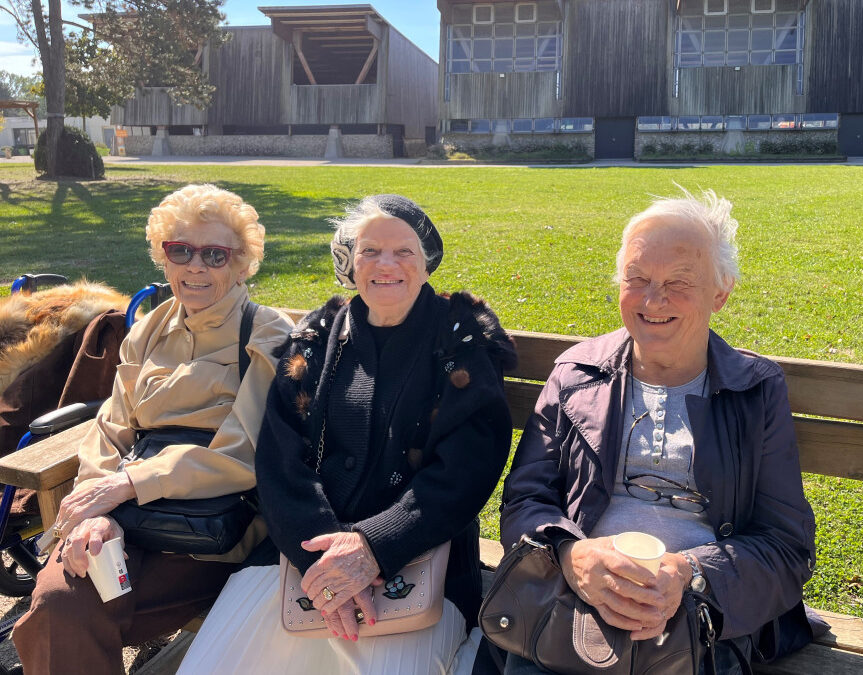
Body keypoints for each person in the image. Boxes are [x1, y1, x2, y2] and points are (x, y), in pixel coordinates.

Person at [178, 194, 517, 674]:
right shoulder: (317, 337)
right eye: (370, 251)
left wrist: (372, 547)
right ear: (348, 262)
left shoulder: (460, 338)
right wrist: (323, 559)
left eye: (404, 252)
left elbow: (467, 470)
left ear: (426, 264)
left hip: (418, 552)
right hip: (301, 552)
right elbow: (280, 461)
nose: (386, 265)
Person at [499, 191, 816, 674]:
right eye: (638, 279)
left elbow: (786, 547)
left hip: (693, 628)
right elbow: (524, 500)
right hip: (573, 613)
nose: (654, 300)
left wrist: (691, 574)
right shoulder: (576, 374)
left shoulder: (755, 391)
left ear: (720, 292)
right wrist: (571, 553)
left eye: (678, 282)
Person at [12, 184, 293, 674]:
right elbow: (111, 428)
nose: (195, 266)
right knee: (59, 603)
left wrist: (126, 485)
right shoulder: (148, 329)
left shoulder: (267, 334)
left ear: (243, 263)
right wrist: (95, 506)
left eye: (215, 254)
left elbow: (243, 452)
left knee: (65, 615)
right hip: (126, 513)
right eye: (180, 250)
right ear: (164, 258)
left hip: (210, 530)